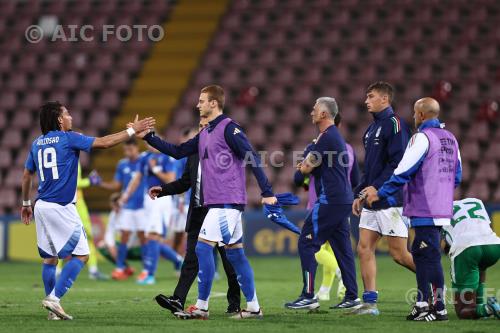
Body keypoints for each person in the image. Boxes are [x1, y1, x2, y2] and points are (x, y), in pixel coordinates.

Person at [137, 85, 277, 319]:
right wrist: (149, 137)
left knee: (202, 248)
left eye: (202, 101)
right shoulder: (206, 133)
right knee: (236, 256)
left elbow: (251, 156)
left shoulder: (229, 128)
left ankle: (201, 307)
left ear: (214, 103)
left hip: (226, 201)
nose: (197, 105)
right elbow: (178, 151)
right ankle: (253, 308)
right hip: (221, 204)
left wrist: (267, 192)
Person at [21, 101, 154, 320]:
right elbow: (104, 142)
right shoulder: (68, 138)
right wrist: (132, 130)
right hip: (62, 206)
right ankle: (54, 299)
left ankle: (52, 311)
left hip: (41, 205)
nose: (71, 117)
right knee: (81, 255)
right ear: (59, 120)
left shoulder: (37, 143)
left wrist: (26, 203)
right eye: (67, 114)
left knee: (50, 259)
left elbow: (27, 175)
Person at [363, 97, 462, 321]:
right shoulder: (451, 139)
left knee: (430, 255)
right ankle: (421, 303)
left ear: (421, 115)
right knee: (420, 251)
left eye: (415, 113)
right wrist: (440, 191)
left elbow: (402, 171)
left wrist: (380, 192)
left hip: (424, 206)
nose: (414, 116)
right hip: (441, 206)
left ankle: (438, 308)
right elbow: (457, 176)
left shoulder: (422, 138)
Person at [151, 119, 241, 316]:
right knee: (191, 259)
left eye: (206, 126)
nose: (203, 129)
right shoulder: (193, 153)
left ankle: (235, 302)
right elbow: (185, 182)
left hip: (219, 212)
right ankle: (178, 299)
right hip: (198, 213)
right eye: (200, 127)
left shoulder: (223, 152)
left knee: (229, 261)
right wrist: (163, 189)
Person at [285, 97, 359, 311]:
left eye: (315, 109)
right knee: (343, 250)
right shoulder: (333, 137)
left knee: (306, 242)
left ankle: (308, 295)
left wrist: (302, 166)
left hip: (331, 200)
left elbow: (306, 169)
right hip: (342, 199)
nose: (311, 112)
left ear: (325, 114)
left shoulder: (326, 138)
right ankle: (352, 296)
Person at [351, 82, 415, 316]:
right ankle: (370, 303)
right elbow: (369, 169)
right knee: (364, 248)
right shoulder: (371, 129)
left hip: (391, 199)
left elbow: (398, 164)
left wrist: (377, 188)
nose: (366, 101)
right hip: (371, 200)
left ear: (385, 99)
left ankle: (435, 282)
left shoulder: (395, 125)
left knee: (399, 255)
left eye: (371, 96)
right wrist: (360, 193)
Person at [121, 143, 183, 285]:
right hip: (148, 200)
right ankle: (179, 260)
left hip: (162, 199)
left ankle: (149, 274)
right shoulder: (145, 157)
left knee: (152, 236)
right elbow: (137, 178)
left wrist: (155, 169)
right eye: (147, 142)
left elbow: (171, 179)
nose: (149, 145)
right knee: (152, 238)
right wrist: (125, 196)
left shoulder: (167, 157)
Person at [97, 139, 148, 280]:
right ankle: (120, 268)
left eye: (130, 149)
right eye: (126, 150)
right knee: (124, 236)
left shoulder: (144, 162)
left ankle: (146, 270)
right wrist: (100, 184)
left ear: (137, 148)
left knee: (143, 237)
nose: (128, 153)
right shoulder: (122, 164)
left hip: (143, 205)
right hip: (126, 206)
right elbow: (117, 185)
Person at [442, 198, 500, 319]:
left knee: (463, 310)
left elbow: (443, 246)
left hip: (467, 247)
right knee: (480, 265)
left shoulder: (440, 209)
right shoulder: (476, 201)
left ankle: (488, 309)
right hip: (494, 245)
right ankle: (482, 307)